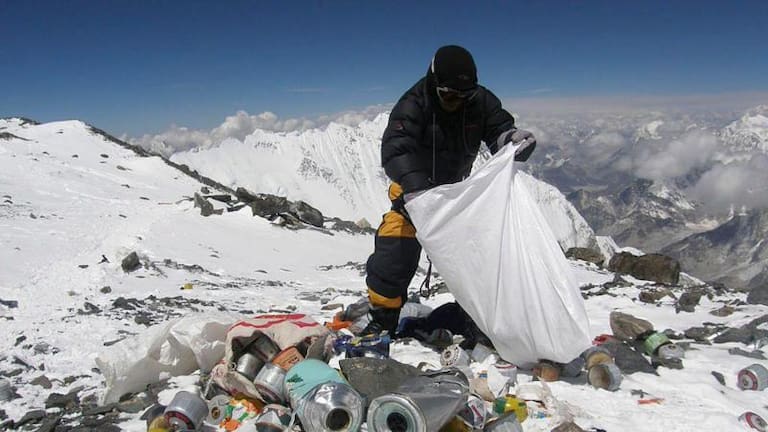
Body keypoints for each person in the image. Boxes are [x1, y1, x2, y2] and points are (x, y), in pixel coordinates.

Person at [360, 45, 537, 336]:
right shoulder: (413, 104)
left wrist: (512, 140)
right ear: (433, 83)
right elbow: (395, 150)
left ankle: (478, 318)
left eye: (464, 95)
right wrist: (417, 190)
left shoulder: (480, 101)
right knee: (394, 251)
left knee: (481, 256)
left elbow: (498, 129)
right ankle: (383, 317)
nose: (456, 101)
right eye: (448, 94)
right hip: (413, 198)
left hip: (457, 198)